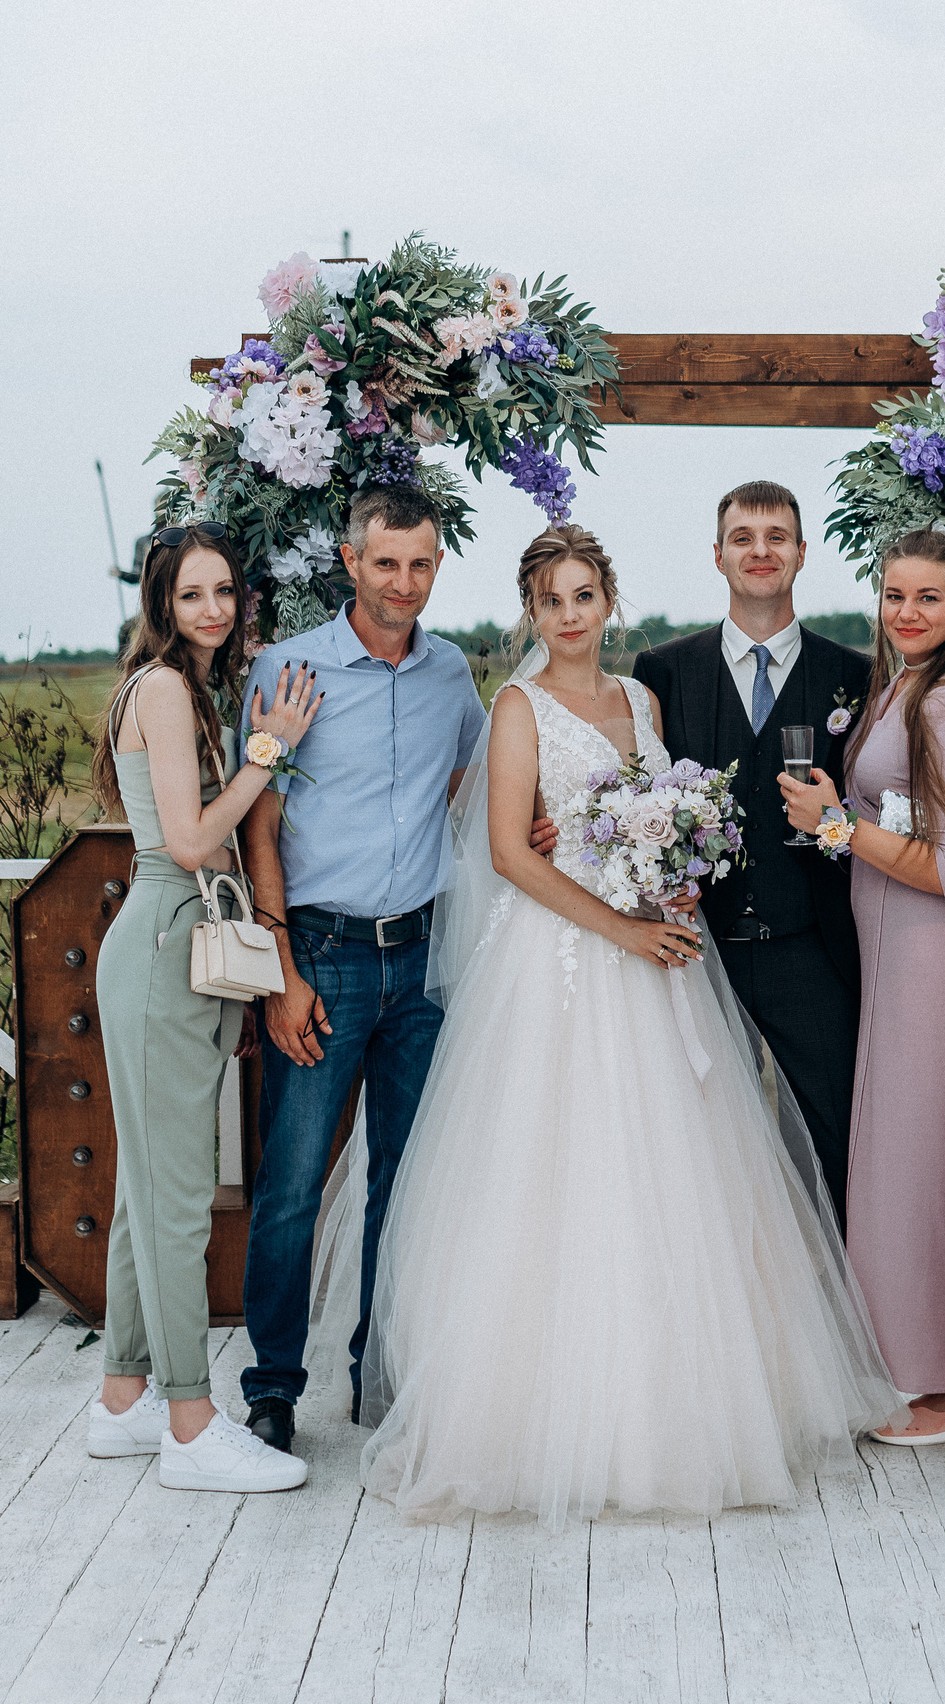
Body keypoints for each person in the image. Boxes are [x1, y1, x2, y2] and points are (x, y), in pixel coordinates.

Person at [358, 524, 902, 1526]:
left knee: (674, 1173)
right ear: (531, 611)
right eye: (551, 599)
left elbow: (657, 816)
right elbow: (513, 856)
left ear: (608, 602)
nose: (569, 615)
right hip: (560, 963)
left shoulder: (641, 699)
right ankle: (542, 1417)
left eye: (583, 596)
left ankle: (691, 1405)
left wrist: (676, 887)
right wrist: (616, 925)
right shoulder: (516, 708)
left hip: (656, 958)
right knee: (560, 1176)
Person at [231, 485, 501, 1460]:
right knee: (294, 1185)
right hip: (324, 958)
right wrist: (280, 971)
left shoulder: (449, 675)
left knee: (408, 1184)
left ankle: (377, 1381)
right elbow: (257, 821)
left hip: (423, 961)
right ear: (350, 563)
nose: (404, 582)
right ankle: (271, 1389)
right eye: (386, 562)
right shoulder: (288, 668)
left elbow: (474, 788)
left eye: (421, 564)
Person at [86, 523, 320, 1494]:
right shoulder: (167, 690)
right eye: (192, 594)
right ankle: (189, 1421)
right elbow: (186, 841)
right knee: (179, 1201)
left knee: (147, 1195)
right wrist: (271, 751)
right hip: (162, 946)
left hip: (171, 948)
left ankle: (122, 1401)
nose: (213, 609)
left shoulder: (181, 689)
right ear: (161, 603)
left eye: (224, 590)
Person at [777, 529, 945, 1444]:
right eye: (893, 595)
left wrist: (836, 828)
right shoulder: (901, 686)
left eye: (927, 598)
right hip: (897, 954)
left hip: (936, 955)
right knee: (905, 1162)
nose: (907, 613)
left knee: (921, 1166)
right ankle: (934, 1369)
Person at [631, 481, 868, 1220]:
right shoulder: (662, 672)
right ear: (718, 554)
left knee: (833, 1153)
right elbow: (634, 799)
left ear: (802, 552)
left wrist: (829, 822)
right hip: (702, 957)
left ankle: (836, 1326)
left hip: (815, 953)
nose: (760, 550)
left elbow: (876, 822)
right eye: (743, 536)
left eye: (776, 536)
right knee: (702, 1155)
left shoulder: (855, 676)